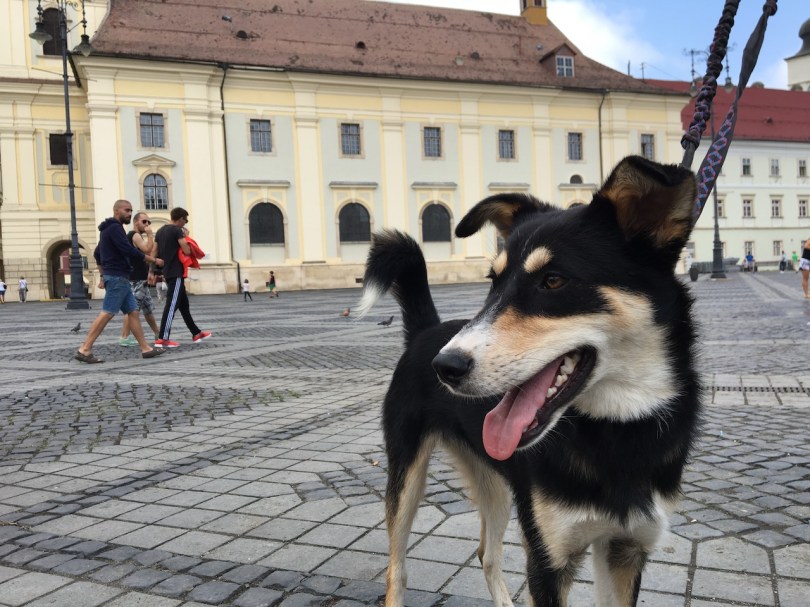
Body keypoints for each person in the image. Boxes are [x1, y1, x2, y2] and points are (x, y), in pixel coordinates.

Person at [75, 200, 166, 364]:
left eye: (131, 210)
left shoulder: (108, 229)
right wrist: (153, 259)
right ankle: (84, 349)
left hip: (119, 276)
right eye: (126, 210)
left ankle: (145, 348)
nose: (129, 213)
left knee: (133, 312)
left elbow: (97, 253)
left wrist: (103, 274)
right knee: (107, 312)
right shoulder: (115, 228)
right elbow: (128, 250)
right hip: (117, 277)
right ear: (116, 211)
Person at [155, 207, 211, 348]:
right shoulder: (176, 230)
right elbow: (186, 250)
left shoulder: (160, 231)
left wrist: (153, 270)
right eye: (185, 220)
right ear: (180, 219)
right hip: (176, 273)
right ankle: (163, 338)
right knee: (171, 305)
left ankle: (196, 333)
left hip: (167, 271)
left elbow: (154, 251)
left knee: (183, 305)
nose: (186, 223)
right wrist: (186, 237)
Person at [119, 211, 160, 346]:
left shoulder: (134, 236)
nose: (147, 224)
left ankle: (158, 333)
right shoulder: (135, 235)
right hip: (136, 279)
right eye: (144, 221)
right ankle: (124, 337)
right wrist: (150, 235)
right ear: (136, 222)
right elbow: (148, 250)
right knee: (132, 309)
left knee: (147, 309)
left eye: (148, 222)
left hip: (139, 277)